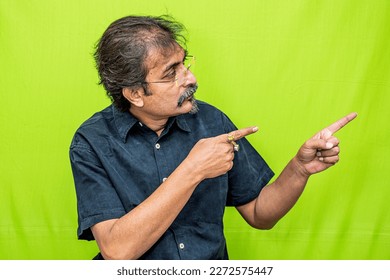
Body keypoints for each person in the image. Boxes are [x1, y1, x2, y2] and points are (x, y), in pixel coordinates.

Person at [69, 15, 357, 260]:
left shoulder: (210, 121)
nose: (190, 79)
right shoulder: (92, 142)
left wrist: (299, 169)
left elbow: (260, 214)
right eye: (171, 73)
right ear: (134, 94)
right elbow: (117, 251)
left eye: (184, 64)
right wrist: (193, 169)